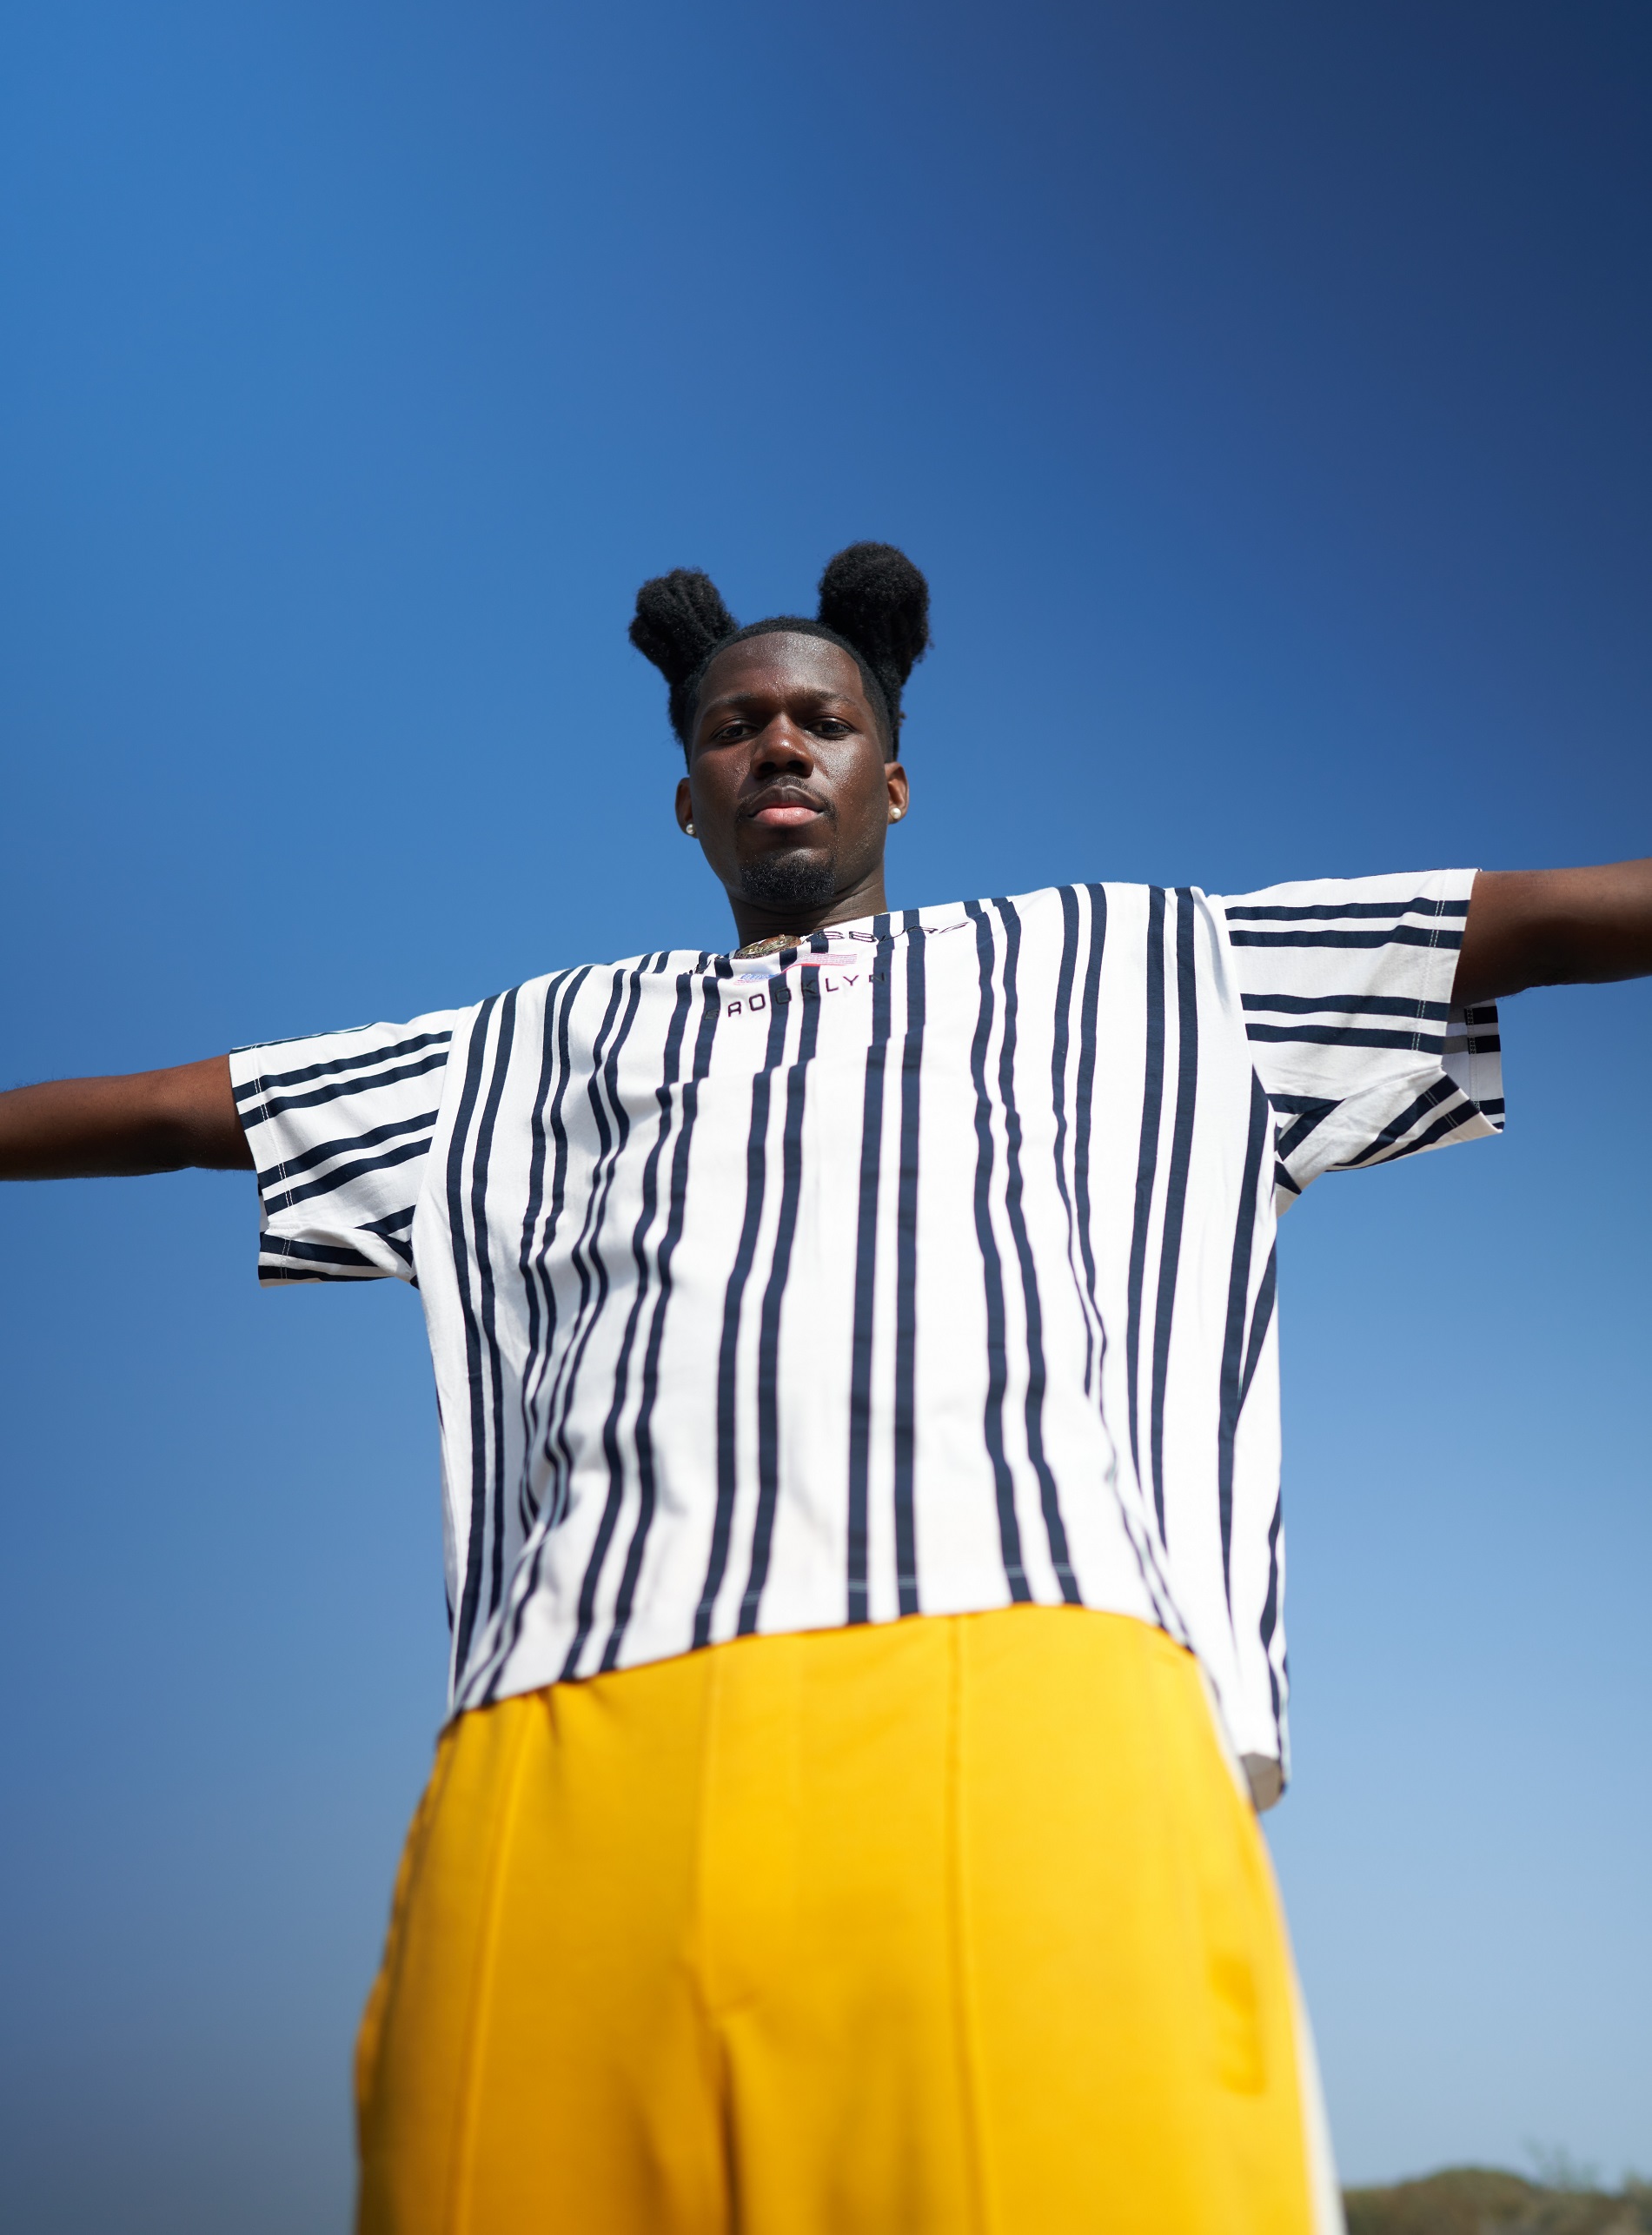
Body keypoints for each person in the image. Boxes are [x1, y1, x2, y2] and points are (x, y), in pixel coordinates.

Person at [3, 541, 1648, 2235]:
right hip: (567, 1749)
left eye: (822, 718)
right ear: (686, 801)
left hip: (1025, 1708)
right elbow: (179, 1112)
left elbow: (1521, 922)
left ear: (895, 780)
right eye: (733, 726)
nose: (778, 742)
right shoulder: (513, 1052)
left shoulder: (1142, 963)